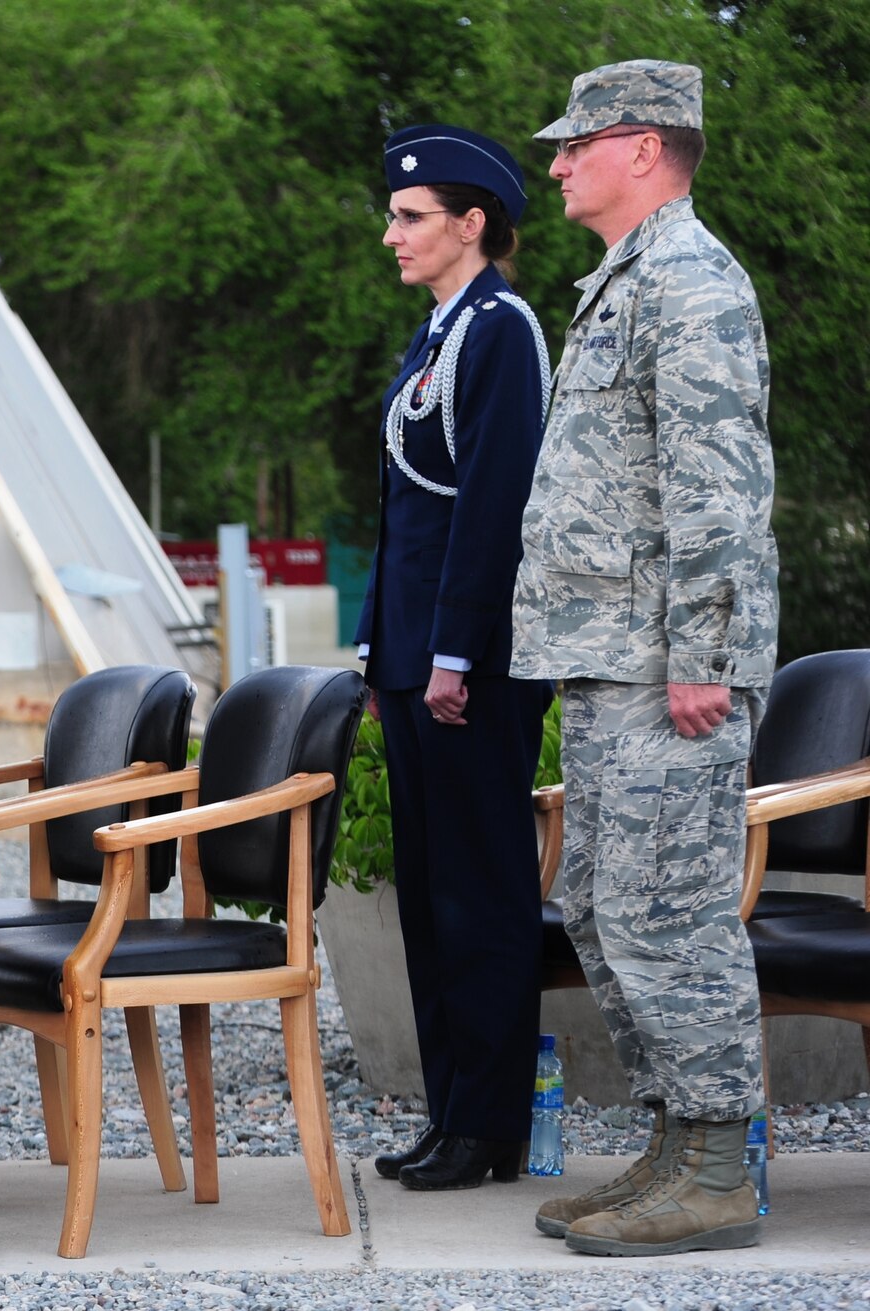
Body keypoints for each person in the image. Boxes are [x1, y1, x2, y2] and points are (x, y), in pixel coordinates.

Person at [512, 60, 776, 1257]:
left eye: (576, 145)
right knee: (603, 907)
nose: (558, 163)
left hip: (670, 668)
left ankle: (717, 1173)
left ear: (639, 148)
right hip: (611, 655)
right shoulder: (623, 280)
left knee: (669, 913)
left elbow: (718, 489)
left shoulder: (689, 282)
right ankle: (673, 1150)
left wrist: (703, 657)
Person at [354, 126, 556, 1191]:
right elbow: (403, 514)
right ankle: (449, 1115)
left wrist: (447, 653)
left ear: (470, 224)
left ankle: (489, 1129)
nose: (390, 234)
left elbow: (492, 509)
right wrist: (380, 652)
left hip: (469, 661)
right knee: (430, 893)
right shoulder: (436, 332)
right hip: (414, 658)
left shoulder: (499, 328)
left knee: (479, 892)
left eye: (409, 216)